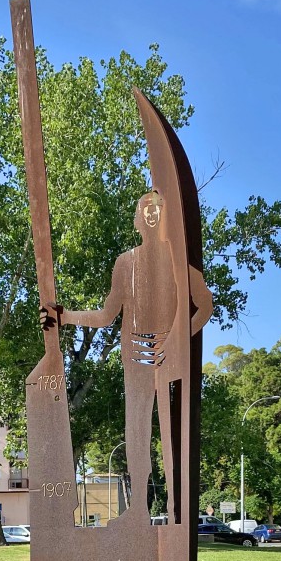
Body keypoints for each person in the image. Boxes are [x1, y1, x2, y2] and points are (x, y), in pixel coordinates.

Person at [41, 191, 212, 521]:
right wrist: (66, 316)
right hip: (134, 356)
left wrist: (177, 339)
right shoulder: (126, 263)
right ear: (137, 220)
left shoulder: (179, 263)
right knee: (136, 432)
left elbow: (204, 306)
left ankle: (178, 510)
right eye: (145, 211)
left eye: (157, 211)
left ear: (165, 219)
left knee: (172, 432)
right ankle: (139, 510)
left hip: (169, 357)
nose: (150, 216)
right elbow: (107, 315)